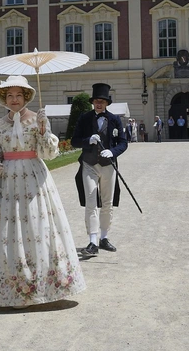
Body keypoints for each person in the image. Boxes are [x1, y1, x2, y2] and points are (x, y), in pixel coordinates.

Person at [0, 75, 86, 307]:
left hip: (33, 179)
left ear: (27, 96)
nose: (14, 99)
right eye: (10, 95)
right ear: (4, 98)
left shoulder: (37, 121)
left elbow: (49, 153)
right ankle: (11, 289)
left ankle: (42, 287)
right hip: (8, 180)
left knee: (38, 228)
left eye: (19, 95)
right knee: (10, 231)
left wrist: (43, 130)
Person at [71, 83, 129, 256]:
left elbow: (123, 143)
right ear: (93, 101)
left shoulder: (115, 119)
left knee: (107, 203)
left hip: (108, 166)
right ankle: (92, 241)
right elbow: (74, 141)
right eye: (96, 101)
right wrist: (88, 140)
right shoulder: (84, 118)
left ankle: (104, 237)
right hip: (89, 165)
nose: (99, 104)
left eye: (102, 101)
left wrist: (112, 151)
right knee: (91, 203)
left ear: (107, 103)